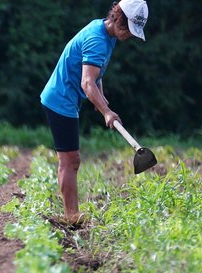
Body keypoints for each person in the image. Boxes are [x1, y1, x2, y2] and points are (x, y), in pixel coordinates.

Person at [40, 0, 148, 224]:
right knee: (70, 160)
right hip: (61, 99)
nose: (129, 35)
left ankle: (72, 214)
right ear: (118, 17)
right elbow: (87, 82)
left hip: (66, 98)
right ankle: (72, 216)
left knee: (71, 160)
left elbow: (96, 74)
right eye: (128, 28)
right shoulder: (97, 40)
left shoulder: (106, 33)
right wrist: (106, 111)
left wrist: (101, 97)